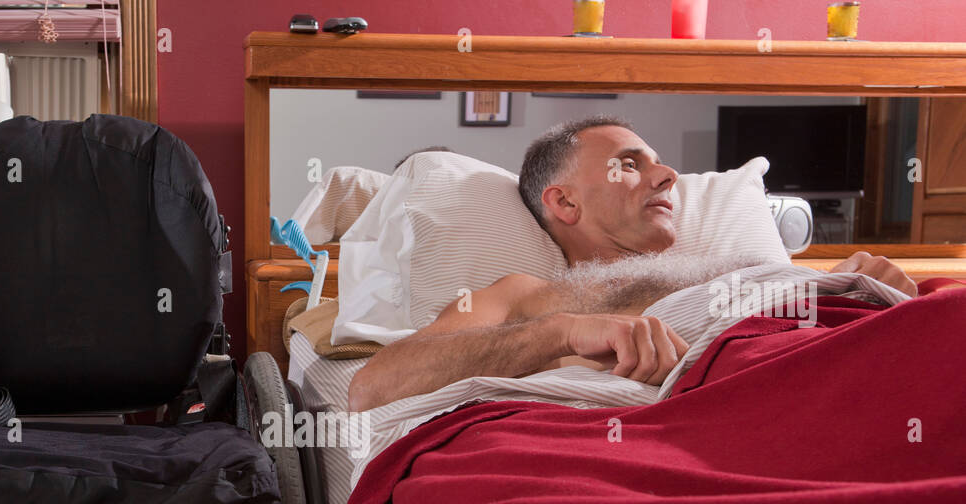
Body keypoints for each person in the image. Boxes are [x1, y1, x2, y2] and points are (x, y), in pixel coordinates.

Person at [347, 117, 918, 413]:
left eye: (662, 164)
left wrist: (854, 288)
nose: (667, 175)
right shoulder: (526, 296)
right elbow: (376, 386)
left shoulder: (730, 267)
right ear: (564, 202)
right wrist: (561, 332)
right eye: (628, 164)